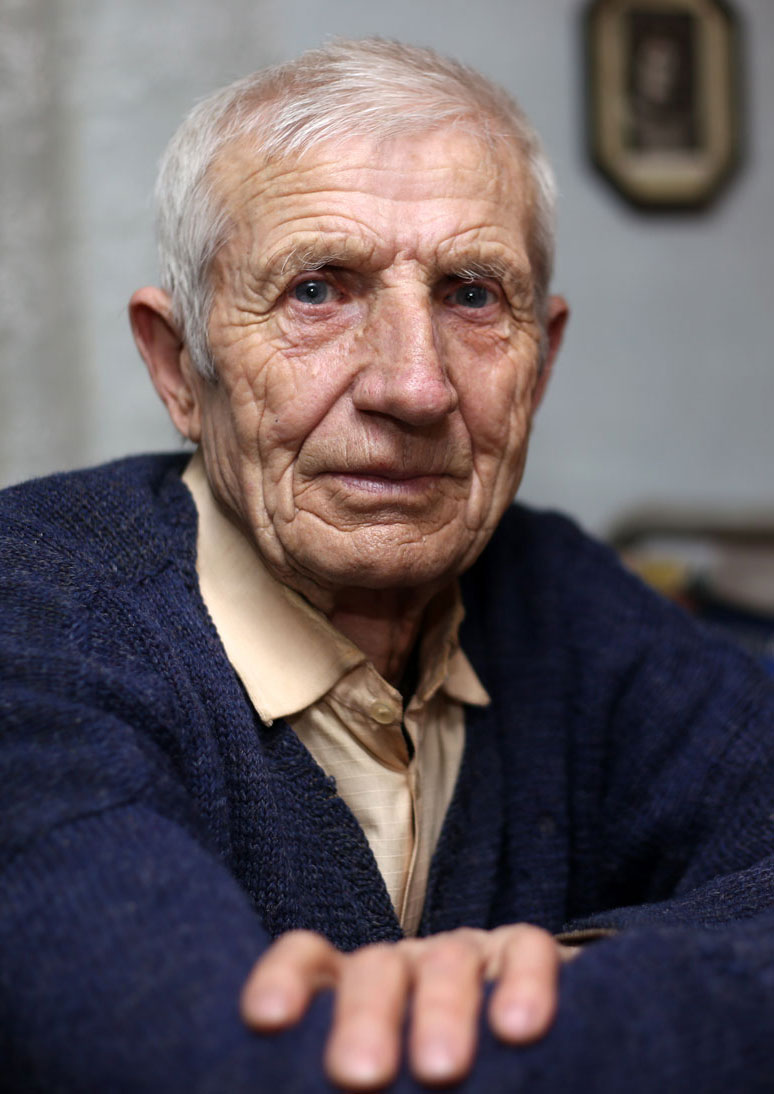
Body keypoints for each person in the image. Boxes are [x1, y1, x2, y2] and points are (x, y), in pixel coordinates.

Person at [2, 37, 774, 1093]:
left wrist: (562, 961)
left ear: (539, 366)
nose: (413, 386)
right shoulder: (33, 609)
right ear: (181, 368)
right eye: (318, 288)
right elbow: (207, 1065)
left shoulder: (558, 593)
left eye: (469, 294)